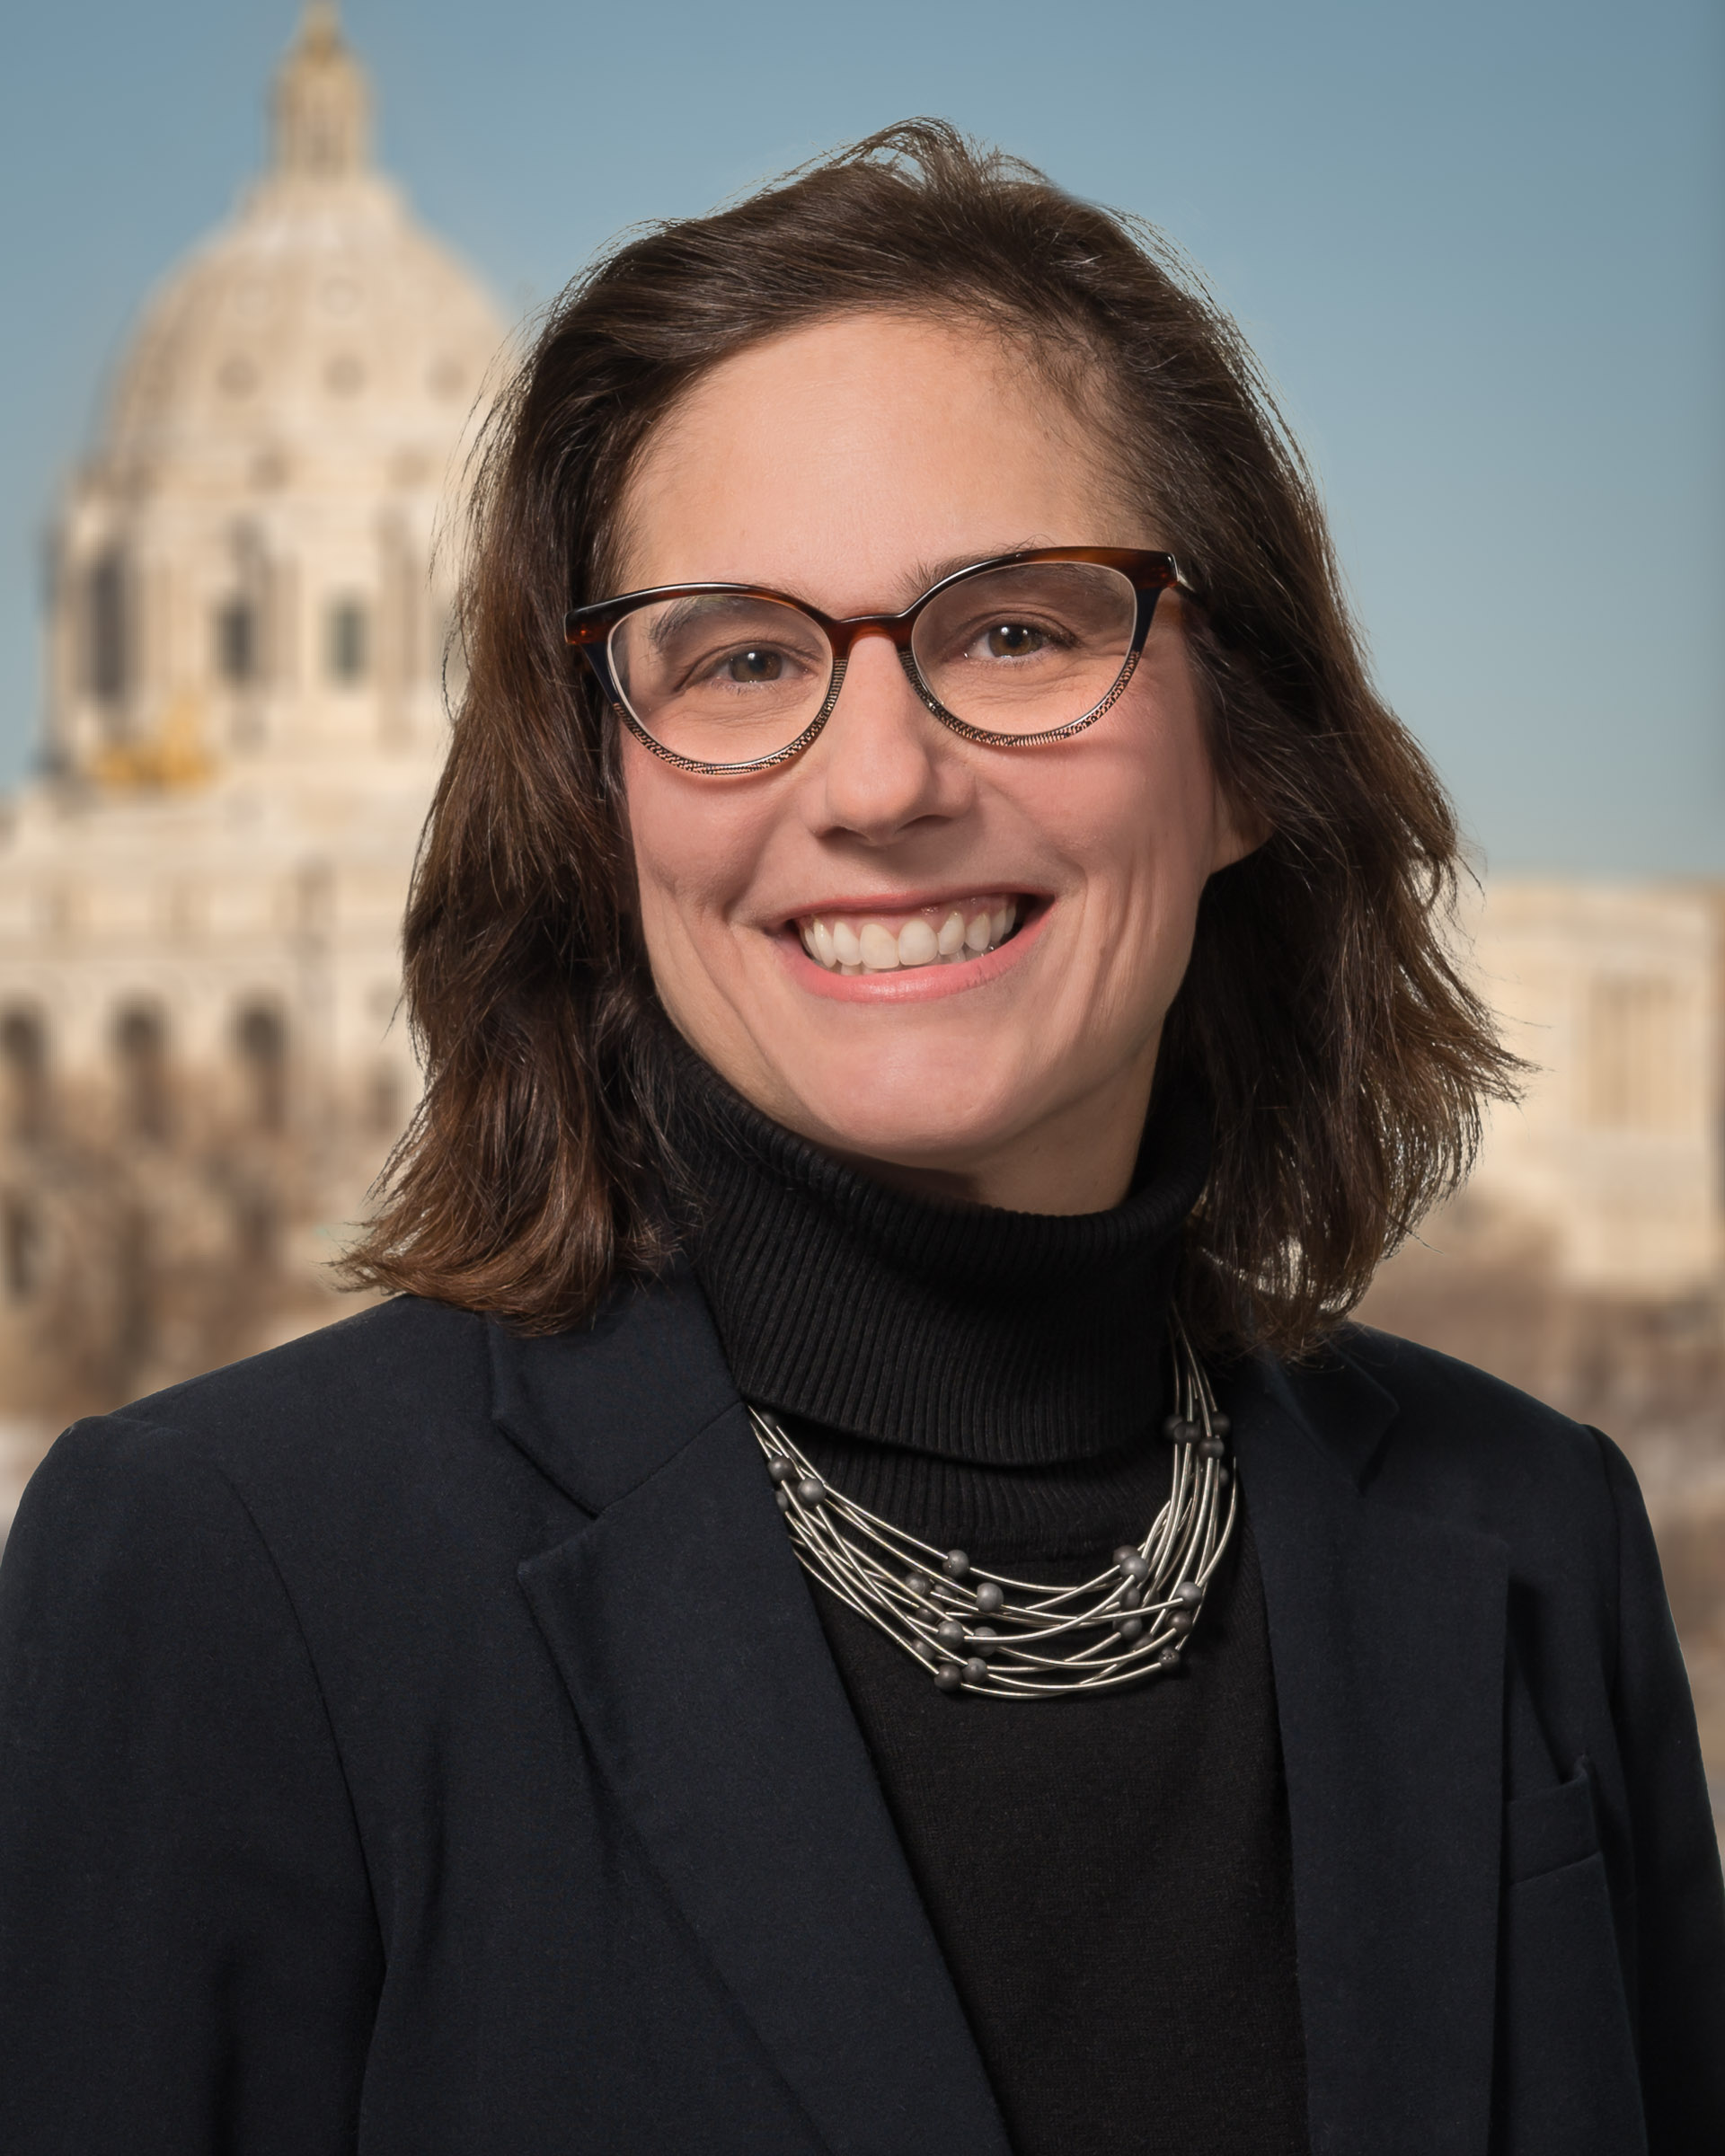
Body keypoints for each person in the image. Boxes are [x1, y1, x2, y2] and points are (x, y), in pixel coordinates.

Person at [1, 121, 1720, 2156]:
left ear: (1247, 752)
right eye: (741, 657)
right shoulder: (225, 1572)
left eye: (1017, 631)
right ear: (598, 798)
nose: (882, 782)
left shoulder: (1534, 1538)